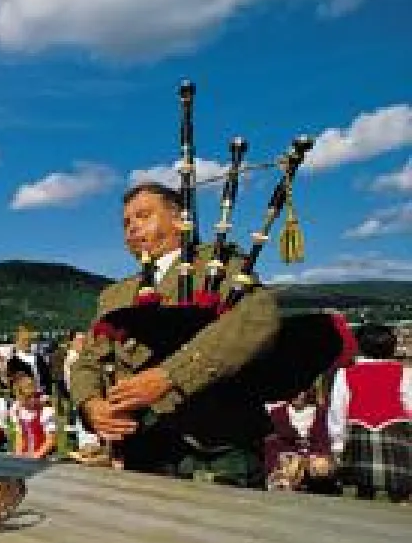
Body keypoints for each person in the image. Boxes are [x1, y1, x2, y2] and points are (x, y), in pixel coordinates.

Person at [69, 182, 281, 488]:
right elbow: (88, 360)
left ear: (181, 220)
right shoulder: (115, 296)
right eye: (126, 223)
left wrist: (169, 377)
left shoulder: (218, 266)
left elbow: (256, 319)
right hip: (143, 447)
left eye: (143, 216)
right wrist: (91, 404)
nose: (132, 228)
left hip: (214, 446)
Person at [327, 323, 412, 503]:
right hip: (397, 440)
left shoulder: (345, 374)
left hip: (358, 442)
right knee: (401, 499)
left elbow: (337, 413)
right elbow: (410, 406)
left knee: (362, 498)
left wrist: (337, 446)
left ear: (360, 346)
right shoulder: (405, 373)